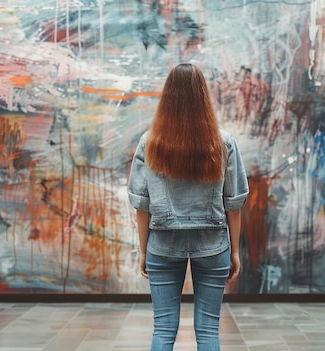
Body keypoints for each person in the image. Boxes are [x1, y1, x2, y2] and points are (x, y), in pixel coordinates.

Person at [127, 63, 249, 351]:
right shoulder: (223, 142)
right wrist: (234, 251)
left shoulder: (150, 143)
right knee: (208, 332)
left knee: (163, 330)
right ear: (203, 96)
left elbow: (141, 205)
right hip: (213, 244)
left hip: (163, 243)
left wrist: (143, 251)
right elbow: (234, 203)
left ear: (167, 97)